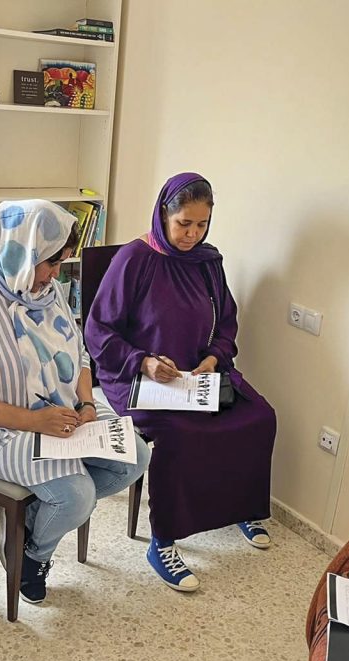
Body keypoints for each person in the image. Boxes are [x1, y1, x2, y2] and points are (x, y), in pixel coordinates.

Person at [0, 200, 150, 603]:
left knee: (136, 456)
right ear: (20, 251)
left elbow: (80, 354)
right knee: (75, 495)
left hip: (61, 411)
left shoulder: (43, 289)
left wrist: (85, 405)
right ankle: (32, 554)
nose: (53, 275)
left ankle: (28, 521)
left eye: (60, 263)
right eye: (49, 263)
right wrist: (35, 422)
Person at [85, 172, 278, 591]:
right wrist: (143, 362)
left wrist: (213, 357)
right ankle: (163, 541)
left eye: (201, 224)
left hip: (197, 375)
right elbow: (98, 332)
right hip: (138, 377)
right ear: (163, 216)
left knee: (259, 417)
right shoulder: (135, 260)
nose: (192, 234)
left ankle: (241, 508)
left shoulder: (208, 262)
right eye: (183, 224)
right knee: (180, 434)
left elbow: (227, 323)